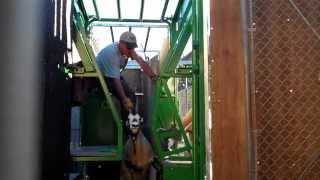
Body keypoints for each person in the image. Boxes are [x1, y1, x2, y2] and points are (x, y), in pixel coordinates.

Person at [96, 31, 157, 116]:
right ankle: (127, 125)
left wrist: (152, 76)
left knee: (131, 95)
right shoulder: (112, 54)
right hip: (101, 79)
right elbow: (115, 81)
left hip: (111, 76)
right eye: (129, 47)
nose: (131, 50)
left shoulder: (126, 50)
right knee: (127, 98)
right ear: (121, 43)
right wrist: (125, 100)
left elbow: (141, 62)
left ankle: (130, 122)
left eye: (132, 47)